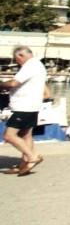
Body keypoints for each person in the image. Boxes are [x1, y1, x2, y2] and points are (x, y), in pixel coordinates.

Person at [0, 46, 48, 176]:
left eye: (17, 60)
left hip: (24, 107)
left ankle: (33, 157)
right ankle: (24, 164)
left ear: (21, 56)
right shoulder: (39, 65)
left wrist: (1, 85)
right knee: (26, 135)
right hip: (32, 106)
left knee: (8, 136)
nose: (17, 62)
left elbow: (14, 83)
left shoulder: (29, 66)